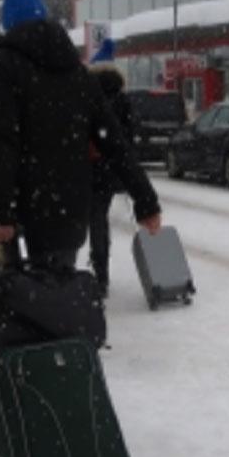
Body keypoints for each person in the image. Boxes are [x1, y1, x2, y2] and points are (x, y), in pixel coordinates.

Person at [0, 0, 161, 270]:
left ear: (8, 25)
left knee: (24, 302)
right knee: (59, 297)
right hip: (70, 213)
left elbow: (0, 144)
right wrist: (145, 201)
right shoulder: (76, 73)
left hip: (23, 213)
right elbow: (113, 140)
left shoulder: (0, 69)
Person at [88, 65, 135, 297]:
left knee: (83, 221)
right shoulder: (122, 101)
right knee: (99, 221)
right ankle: (101, 272)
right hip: (109, 171)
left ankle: (70, 272)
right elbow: (129, 137)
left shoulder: (88, 98)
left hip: (85, 170)